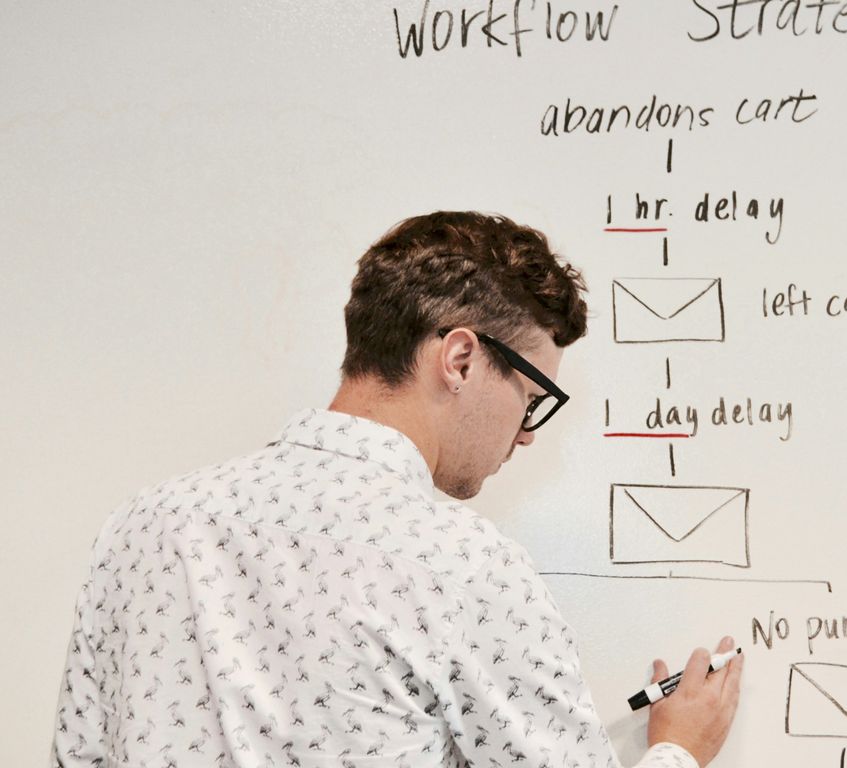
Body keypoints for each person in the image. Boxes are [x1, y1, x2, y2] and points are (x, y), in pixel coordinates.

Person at [51, 211, 743, 768]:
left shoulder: (142, 526)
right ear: (462, 359)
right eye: (530, 399)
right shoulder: (463, 564)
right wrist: (680, 748)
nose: (526, 434)